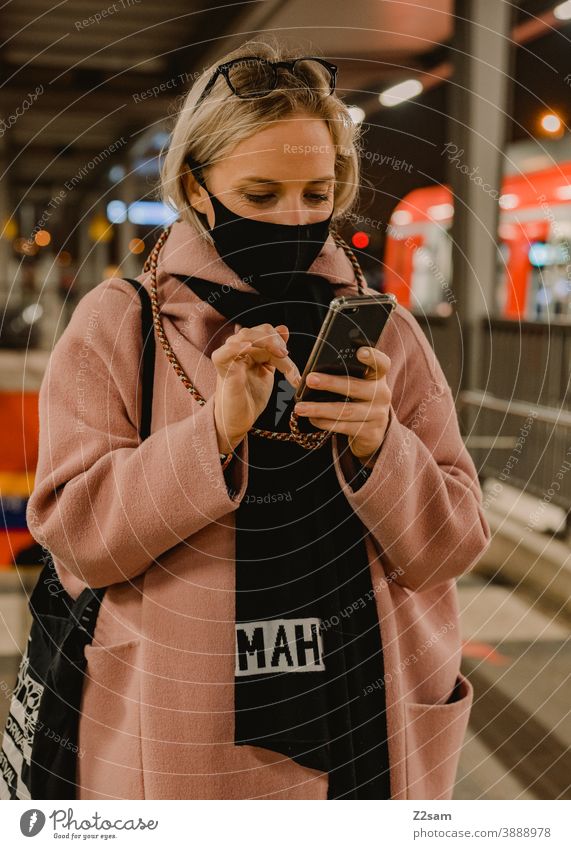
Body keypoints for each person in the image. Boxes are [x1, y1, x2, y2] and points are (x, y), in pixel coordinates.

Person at [26, 38, 491, 800]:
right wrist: (212, 433)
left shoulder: (385, 332)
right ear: (195, 187)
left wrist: (383, 447)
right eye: (260, 193)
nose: (296, 217)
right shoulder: (120, 327)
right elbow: (78, 534)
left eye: (317, 193)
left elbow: (451, 543)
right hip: (180, 744)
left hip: (364, 729)